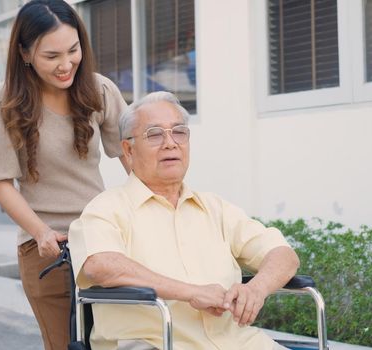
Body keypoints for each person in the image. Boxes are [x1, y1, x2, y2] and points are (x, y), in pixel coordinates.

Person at [68, 91, 300, 350]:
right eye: (154, 134)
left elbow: (283, 255)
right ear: (128, 150)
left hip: (237, 342)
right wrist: (191, 292)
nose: (170, 143)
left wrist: (257, 289)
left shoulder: (216, 208)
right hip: (156, 344)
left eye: (179, 132)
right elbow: (101, 265)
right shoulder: (106, 209)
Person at [0, 1, 129, 349]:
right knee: (65, 344)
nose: (66, 65)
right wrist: (41, 232)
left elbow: (132, 157)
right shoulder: (5, 101)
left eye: (73, 50)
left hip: (101, 239)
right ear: (25, 53)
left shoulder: (99, 89)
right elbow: (1, 182)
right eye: (52, 56)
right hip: (46, 249)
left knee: (115, 341)